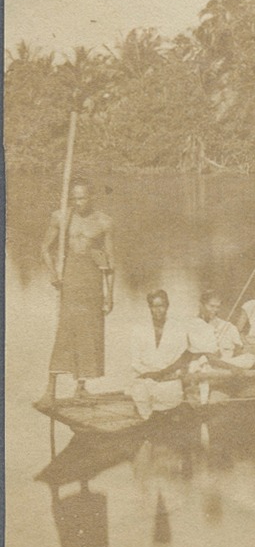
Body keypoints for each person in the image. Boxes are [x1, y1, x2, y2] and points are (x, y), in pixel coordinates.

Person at [41, 178, 114, 400]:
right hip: (70, 281)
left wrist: (110, 295)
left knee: (89, 333)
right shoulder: (61, 217)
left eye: (82, 197)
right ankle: (50, 389)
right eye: (74, 197)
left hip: (92, 283)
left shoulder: (104, 222)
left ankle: (80, 386)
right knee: (65, 332)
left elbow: (110, 262)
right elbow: (45, 248)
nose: (78, 202)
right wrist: (54, 273)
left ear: (91, 197)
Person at [128, 290, 189, 420]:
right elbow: (135, 361)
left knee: (167, 410)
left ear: (167, 306)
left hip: (168, 379)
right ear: (150, 307)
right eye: (154, 306)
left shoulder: (178, 328)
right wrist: (150, 374)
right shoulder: (139, 329)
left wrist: (163, 374)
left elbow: (182, 357)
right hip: (145, 377)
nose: (158, 310)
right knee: (144, 407)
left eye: (161, 306)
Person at [187, 290, 255, 371]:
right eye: (211, 306)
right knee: (200, 362)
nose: (215, 310)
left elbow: (238, 350)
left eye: (217, 307)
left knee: (250, 358)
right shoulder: (193, 325)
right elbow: (207, 356)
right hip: (208, 364)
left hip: (227, 363)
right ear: (201, 305)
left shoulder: (228, 326)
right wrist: (234, 368)